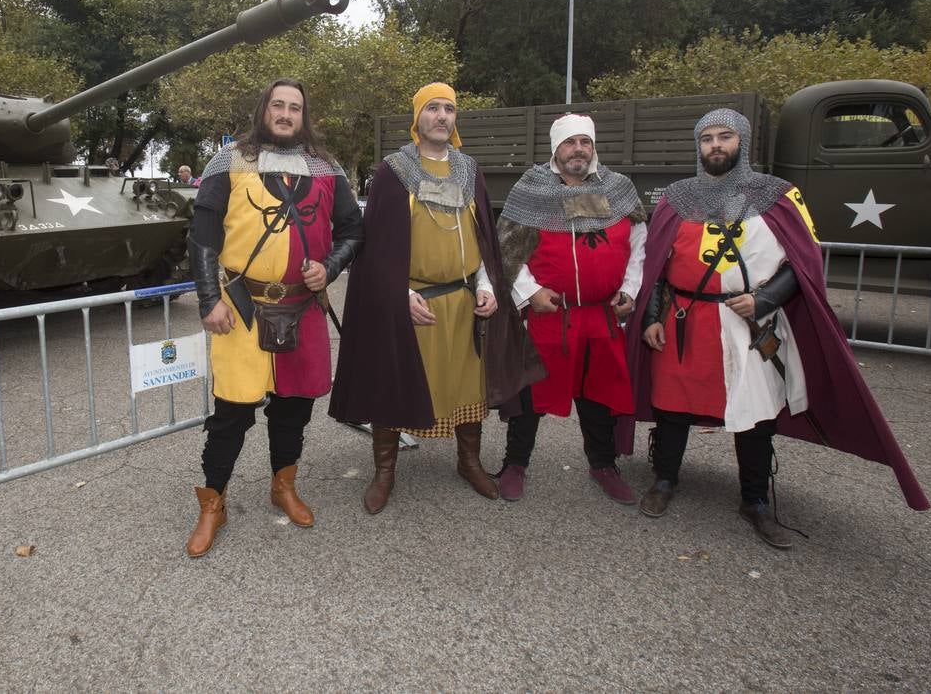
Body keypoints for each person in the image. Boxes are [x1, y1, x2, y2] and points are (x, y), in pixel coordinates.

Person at [624, 107, 929, 548]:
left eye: (724, 137)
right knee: (673, 406)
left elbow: (803, 262)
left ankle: (755, 501)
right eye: (707, 138)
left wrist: (764, 299)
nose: (715, 145)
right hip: (685, 319)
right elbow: (657, 267)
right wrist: (652, 317)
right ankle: (665, 480)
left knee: (756, 414)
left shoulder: (779, 196)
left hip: (751, 323)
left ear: (742, 142)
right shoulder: (676, 197)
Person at [329, 83, 544, 513]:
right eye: (433, 109)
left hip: (463, 301)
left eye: (449, 108)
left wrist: (485, 284)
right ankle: (385, 471)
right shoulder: (394, 170)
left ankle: (469, 463)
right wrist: (398, 294)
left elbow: (482, 237)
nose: (442, 116)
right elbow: (378, 248)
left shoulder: (469, 169)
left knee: (468, 386)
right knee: (393, 383)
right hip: (412, 304)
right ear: (418, 118)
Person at [184, 78, 363, 558]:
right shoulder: (228, 162)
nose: (286, 114)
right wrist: (208, 301)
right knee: (232, 413)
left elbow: (352, 229)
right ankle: (213, 503)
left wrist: (331, 266)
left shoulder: (325, 169)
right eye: (278, 106)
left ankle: (283, 485)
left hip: (303, 307)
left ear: (305, 116)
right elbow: (202, 239)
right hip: (242, 308)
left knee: (294, 407)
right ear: (264, 110)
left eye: (295, 108)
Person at [494, 114, 647, 504]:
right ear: (555, 149)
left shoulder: (618, 189)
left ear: (593, 147)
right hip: (550, 315)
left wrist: (630, 288)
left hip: (601, 315)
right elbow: (507, 249)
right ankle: (515, 463)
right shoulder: (532, 190)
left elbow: (639, 243)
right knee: (531, 395)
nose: (578, 149)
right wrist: (530, 293)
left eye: (585, 142)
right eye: (569, 143)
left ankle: (603, 465)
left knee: (599, 395)